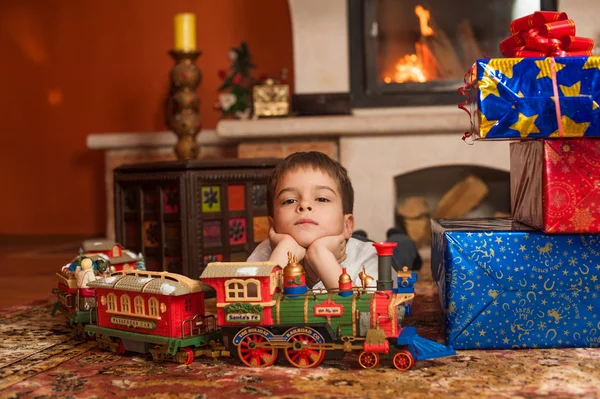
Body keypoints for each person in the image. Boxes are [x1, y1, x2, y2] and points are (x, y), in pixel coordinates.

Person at [247, 152, 379, 290]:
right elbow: (245, 308)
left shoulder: (369, 257)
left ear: (346, 225)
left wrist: (321, 257)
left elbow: (370, 310)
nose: (304, 205)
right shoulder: (267, 255)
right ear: (272, 226)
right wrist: (284, 255)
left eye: (322, 199)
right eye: (289, 200)